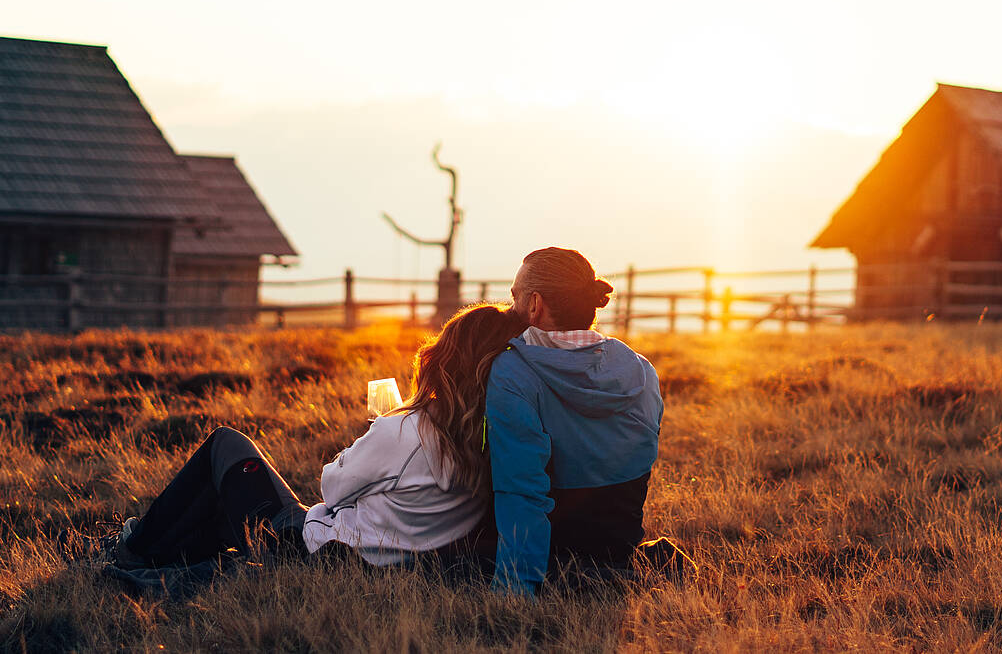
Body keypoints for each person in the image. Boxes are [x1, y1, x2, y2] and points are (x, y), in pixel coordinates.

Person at [110, 303, 528, 580]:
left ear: (446, 358)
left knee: (226, 444)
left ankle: (135, 546)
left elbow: (332, 488)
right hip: (384, 562)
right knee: (224, 510)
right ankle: (149, 550)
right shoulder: (496, 440)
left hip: (317, 553)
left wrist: (365, 441)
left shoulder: (405, 431)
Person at [487, 247, 664, 596]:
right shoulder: (641, 370)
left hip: (554, 557)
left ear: (535, 304)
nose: (512, 308)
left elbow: (521, 490)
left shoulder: (512, 373)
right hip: (618, 551)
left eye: (515, 297)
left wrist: (514, 591)